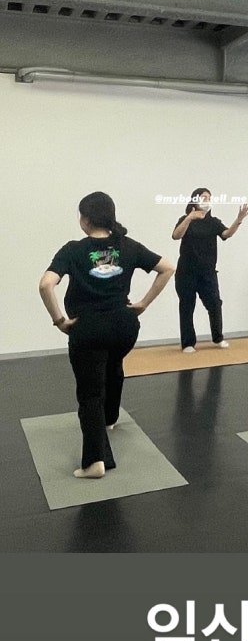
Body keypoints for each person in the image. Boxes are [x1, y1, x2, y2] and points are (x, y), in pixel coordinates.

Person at [39, 192, 175, 478]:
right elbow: (167, 268)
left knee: (90, 394)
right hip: (125, 328)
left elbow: (45, 285)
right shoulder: (128, 245)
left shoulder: (73, 250)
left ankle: (94, 462)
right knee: (113, 366)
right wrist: (143, 304)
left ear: (85, 220)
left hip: (88, 330)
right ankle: (110, 419)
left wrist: (59, 321)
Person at [172, 188, 248, 352]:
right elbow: (176, 235)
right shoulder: (185, 219)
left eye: (209, 198)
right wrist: (189, 218)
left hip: (207, 273)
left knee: (215, 304)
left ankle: (218, 337)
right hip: (186, 272)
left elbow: (226, 234)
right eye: (203, 197)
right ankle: (188, 343)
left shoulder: (213, 222)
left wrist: (239, 219)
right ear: (195, 200)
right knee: (187, 306)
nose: (207, 200)